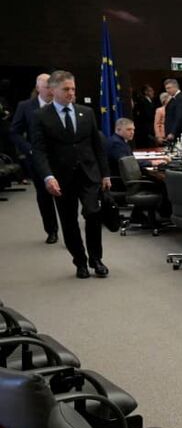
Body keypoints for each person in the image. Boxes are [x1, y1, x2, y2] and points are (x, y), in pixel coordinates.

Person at [32, 70, 111, 279]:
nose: (71, 93)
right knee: (69, 221)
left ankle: (96, 258)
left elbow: (97, 145)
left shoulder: (86, 112)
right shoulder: (41, 116)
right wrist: (48, 176)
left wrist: (105, 174)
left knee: (93, 213)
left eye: (73, 89)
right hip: (61, 177)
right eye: (66, 89)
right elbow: (39, 150)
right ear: (53, 90)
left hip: (89, 174)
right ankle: (80, 261)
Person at [10, 73, 59, 243]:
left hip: (60, 157)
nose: (51, 90)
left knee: (64, 194)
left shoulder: (61, 103)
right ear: (38, 88)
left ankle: (69, 230)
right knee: (44, 195)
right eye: (47, 87)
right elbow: (14, 132)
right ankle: (51, 230)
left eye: (53, 87)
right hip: (37, 158)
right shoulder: (25, 106)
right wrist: (29, 149)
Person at [163, 78, 182, 143]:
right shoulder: (173, 98)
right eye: (166, 88)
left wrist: (172, 132)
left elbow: (179, 116)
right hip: (174, 132)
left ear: (175, 87)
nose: (167, 90)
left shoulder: (181, 98)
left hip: (178, 133)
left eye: (169, 88)